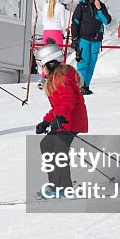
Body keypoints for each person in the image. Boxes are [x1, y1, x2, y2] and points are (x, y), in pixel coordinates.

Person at [33, 43, 88, 194]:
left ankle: (63, 187)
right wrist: (46, 121)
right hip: (65, 120)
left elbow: (67, 101)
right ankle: (56, 183)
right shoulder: (54, 78)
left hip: (71, 121)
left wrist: (60, 118)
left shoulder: (62, 78)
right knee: (47, 145)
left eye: (41, 65)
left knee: (59, 150)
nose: (41, 69)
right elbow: (58, 106)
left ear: (50, 63)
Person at [70, 0, 111, 96]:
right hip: (83, 40)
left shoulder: (100, 6)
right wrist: (74, 39)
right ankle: (81, 86)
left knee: (91, 64)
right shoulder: (81, 6)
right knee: (82, 63)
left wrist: (99, 9)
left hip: (96, 40)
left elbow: (107, 21)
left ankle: (86, 86)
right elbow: (75, 23)